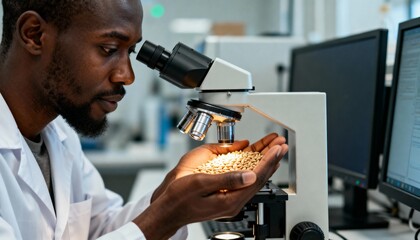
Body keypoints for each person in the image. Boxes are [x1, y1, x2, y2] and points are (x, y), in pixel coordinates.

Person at [0, 0, 289, 239]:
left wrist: (173, 189)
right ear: (34, 34)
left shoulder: (59, 139)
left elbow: (101, 227)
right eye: (109, 49)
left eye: (130, 52)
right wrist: (166, 217)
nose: (127, 76)